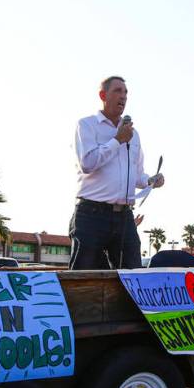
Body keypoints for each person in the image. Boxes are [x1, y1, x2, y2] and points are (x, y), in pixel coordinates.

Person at [70, 76, 164, 270]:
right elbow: (87, 163)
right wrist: (117, 140)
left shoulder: (133, 134)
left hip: (124, 217)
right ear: (103, 95)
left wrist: (150, 181)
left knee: (134, 277)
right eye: (118, 91)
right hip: (92, 214)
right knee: (84, 278)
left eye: (126, 92)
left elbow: (136, 176)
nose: (124, 96)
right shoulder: (87, 125)